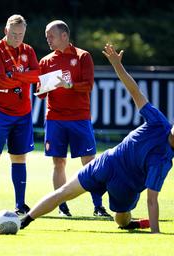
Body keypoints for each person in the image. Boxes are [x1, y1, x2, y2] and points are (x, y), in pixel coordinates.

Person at [20, 43, 174, 233]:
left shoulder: (164, 160)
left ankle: (130, 223)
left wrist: (156, 232)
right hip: (108, 162)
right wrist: (117, 64)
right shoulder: (160, 122)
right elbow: (135, 91)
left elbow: (152, 199)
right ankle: (23, 221)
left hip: (125, 185)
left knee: (122, 220)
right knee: (64, 192)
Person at [36, 20, 110, 217]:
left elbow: (88, 85)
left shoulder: (83, 56)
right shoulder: (45, 61)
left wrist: (70, 85)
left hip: (79, 118)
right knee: (58, 163)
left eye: (51, 36)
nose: (48, 40)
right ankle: (62, 208)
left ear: (64, 36)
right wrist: (42, 87)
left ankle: (98, 206)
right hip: (54, 118)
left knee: (89, 163)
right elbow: (40, 94)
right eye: (47, 37)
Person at [0, 14, 40, 217]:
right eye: (13, 34)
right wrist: (23, 78)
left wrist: (16, 76)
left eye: (21, 34)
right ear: (5, 31)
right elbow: (0, 80)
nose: (17, 38)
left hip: (23, 112)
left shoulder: (28, 50)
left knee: (19, 157)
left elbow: (37, 74)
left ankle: (20, 205)